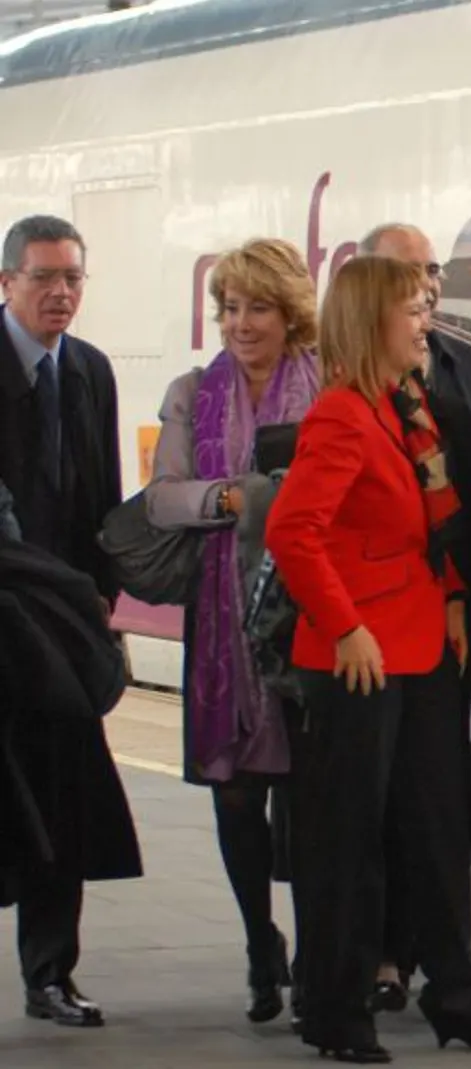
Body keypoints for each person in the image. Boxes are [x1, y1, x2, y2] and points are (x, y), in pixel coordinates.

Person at [263, 255, 471, 1063]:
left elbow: (434, 520)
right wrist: (345, 626)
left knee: (437, 833)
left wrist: (452, 600)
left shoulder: (407, 407)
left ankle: (457, 996)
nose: (427, 323)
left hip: (422, 648)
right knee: (347, 840)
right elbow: (292, 533)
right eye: (414, 310)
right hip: (359, 658)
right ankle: (338, 1010)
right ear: (373, 317)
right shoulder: (342, 414)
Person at [147, 237, 322, 1023]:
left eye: (257, 307)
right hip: (224, 618)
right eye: (228, 308)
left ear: (291, 314)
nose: (240, 323)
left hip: (309, 611)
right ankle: (261, 943)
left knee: (316, 797)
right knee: (235, 798)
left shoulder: (329, 386)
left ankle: (321, 952)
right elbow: (163, 498)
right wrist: (236, 499)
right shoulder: (193, 392)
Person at [0, 214, 142, 1028]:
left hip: (61, 618)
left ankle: (50, 971)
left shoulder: (89, 369)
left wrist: (103, 598)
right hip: (5, 605)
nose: (61, 292)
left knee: (60, 790)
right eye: (45, 277)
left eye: (73, 279)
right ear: (8, 282)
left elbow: (100, 492)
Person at [357, 222, 471, 1009]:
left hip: (449, 622)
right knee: (377, 803)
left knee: (438, 799)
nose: (428, 290)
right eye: (408, 277)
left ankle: (439, 963)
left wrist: (470, 602)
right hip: (374, 631)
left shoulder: (466, 368)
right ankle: (378, 955)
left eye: (431, 272)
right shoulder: (345, 391)